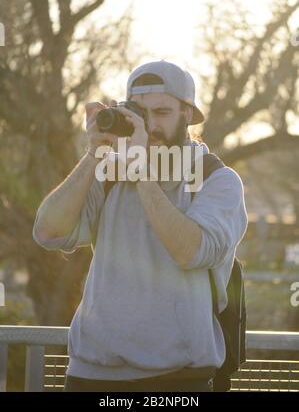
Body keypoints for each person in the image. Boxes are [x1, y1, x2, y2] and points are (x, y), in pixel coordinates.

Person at [32, 60, 248, 392]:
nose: (150, 126)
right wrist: (94, 153)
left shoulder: (216, 180)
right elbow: (47, 233)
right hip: (91, 372)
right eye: (140, 113)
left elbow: (190, 251)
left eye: (161, 112)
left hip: (178, 378)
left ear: (187, 114)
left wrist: (142, 173)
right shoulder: (108, 173)